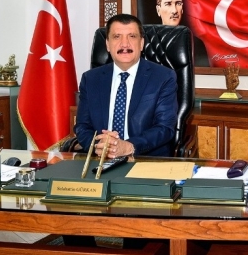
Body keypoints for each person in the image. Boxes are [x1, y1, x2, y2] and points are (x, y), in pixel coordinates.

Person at [74, 13, 178, 158]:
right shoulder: (90, 79)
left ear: (141, 44)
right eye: (117, 37)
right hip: (100, 159)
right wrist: (98, 145)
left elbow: (164, 128)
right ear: (107, 44)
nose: (124, 44)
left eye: (132, 36)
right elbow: (82, 126)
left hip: (145, 159)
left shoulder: (163, 77)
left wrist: (129, 146)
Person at [155, 0, 210, 67]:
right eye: (168, 4)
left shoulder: (196, 43)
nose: (174, 10)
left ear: (182, 8)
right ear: (158, 10)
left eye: (178, 3)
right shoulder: (149, 43)